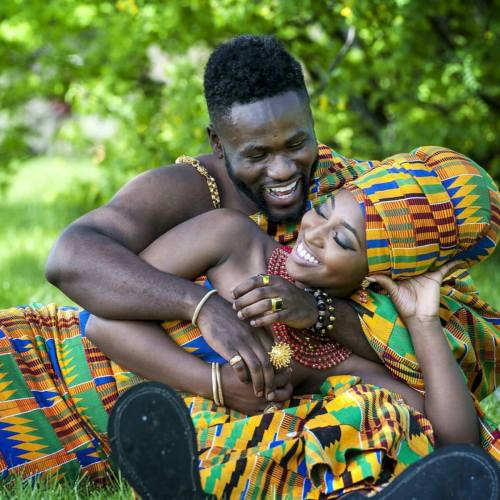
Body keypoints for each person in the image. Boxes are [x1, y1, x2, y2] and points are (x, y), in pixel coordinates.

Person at [1, 148, 498, 498]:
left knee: (380, 420)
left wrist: (423, 317)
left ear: (383, 270)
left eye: (343, 242)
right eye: (322, 211)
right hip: (45, 365)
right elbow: (102, 323)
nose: (315, 234)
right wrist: (215, 381)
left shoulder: (343, 353)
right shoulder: (237, 241)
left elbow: (456, 443)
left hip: (119, 430)